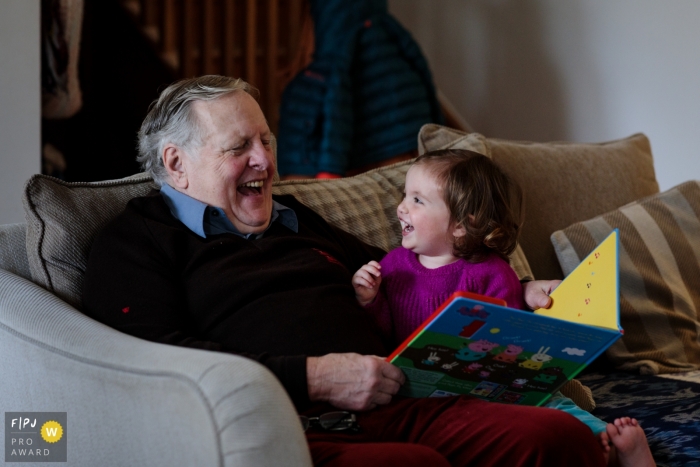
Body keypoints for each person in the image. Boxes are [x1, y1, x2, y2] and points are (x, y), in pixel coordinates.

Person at [82, 74, 608, 466]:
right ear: (176, 164)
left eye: (265, 140)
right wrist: (314, 377)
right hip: (292, 427)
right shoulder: (135, 242)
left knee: (559, 437)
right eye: (239, 147)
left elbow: (405, 276)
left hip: (404, 401)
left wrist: (518, 293)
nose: (265, 161)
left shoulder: (293, 218)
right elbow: (151, 362)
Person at [352, 149, 655, 467]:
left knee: (552, 403)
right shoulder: (393, 265)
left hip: (489, 384)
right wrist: (369, 299)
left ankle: (612, 442)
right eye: (405, 195)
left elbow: (513, 335)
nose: (402, 207)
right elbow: (382, 332)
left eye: (417, 200)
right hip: (421, 392)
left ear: (460, 225)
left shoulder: (492, 272)